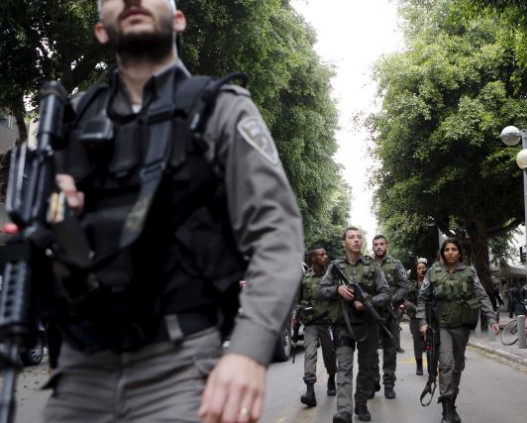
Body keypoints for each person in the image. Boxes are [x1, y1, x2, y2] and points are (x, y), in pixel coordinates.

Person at [45, 1, 304, 422]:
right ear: (100, 30)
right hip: (79, 371)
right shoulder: (69, 121)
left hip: (181, 366)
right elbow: (41, 247)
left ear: (178, 20)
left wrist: (248, 350)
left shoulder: (221, 108)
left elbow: (278, 235)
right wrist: (55, 214)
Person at [418, 238, 500, 423]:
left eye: (454, 249)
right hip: (442, 326)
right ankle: (446, 411)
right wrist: (422, 321)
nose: (450, 252)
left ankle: (452, 402)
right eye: (447, 249)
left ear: (460, 252)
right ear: (442, 252)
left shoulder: (469, 272)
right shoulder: (433, 272)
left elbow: (481, 296)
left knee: (457, 366)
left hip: (462, 327)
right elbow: (422, 298)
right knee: (446, 364)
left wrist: (491, 318)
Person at [319, 227, 391, 423]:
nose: (356, 240)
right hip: (343, 325)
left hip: (367, 325)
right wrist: (338, 289)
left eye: (359, 237)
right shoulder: (335, 266)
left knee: (367, 367)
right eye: (351, 237)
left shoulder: (372, 266)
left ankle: (361, 403)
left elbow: (386, 293)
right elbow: (321, 291)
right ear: (344, 243)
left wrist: (368, 302)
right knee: (344, 367)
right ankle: (344, 411)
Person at [299, 245, 338, 407]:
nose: (325, 256)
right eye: (322, 254)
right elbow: (300, 299)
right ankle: (310, 390)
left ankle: (331, 378)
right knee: (310, 354)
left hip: (327, 323)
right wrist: (301, 313)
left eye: (325, 254)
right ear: (314, 258)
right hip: (311, 323)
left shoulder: (332, 275)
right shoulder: (305, 277)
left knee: (330, 355)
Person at [370, 235, 408, 399]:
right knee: (370, 351)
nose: (379, 247)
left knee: (390, 351)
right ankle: (373, 381)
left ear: (387, 246)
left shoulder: (396, 264)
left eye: (381, 244)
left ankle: (389, 385)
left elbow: (404, 287)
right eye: (376, 244)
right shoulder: (367, 265)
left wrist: (390, 299)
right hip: (372, 314)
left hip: (390, 314)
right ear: (373, 247)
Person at [403, 257, 428, 375]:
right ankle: (419, 365)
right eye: (419, 268)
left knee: (432, 340)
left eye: (423, 268)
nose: (422, 270)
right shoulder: (410, 284)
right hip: (415, 316)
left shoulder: (431, 283)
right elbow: (405, 300)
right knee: (418, 341)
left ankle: (432, 362)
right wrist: (415, 308)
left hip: (429, 316)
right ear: (416, 270)